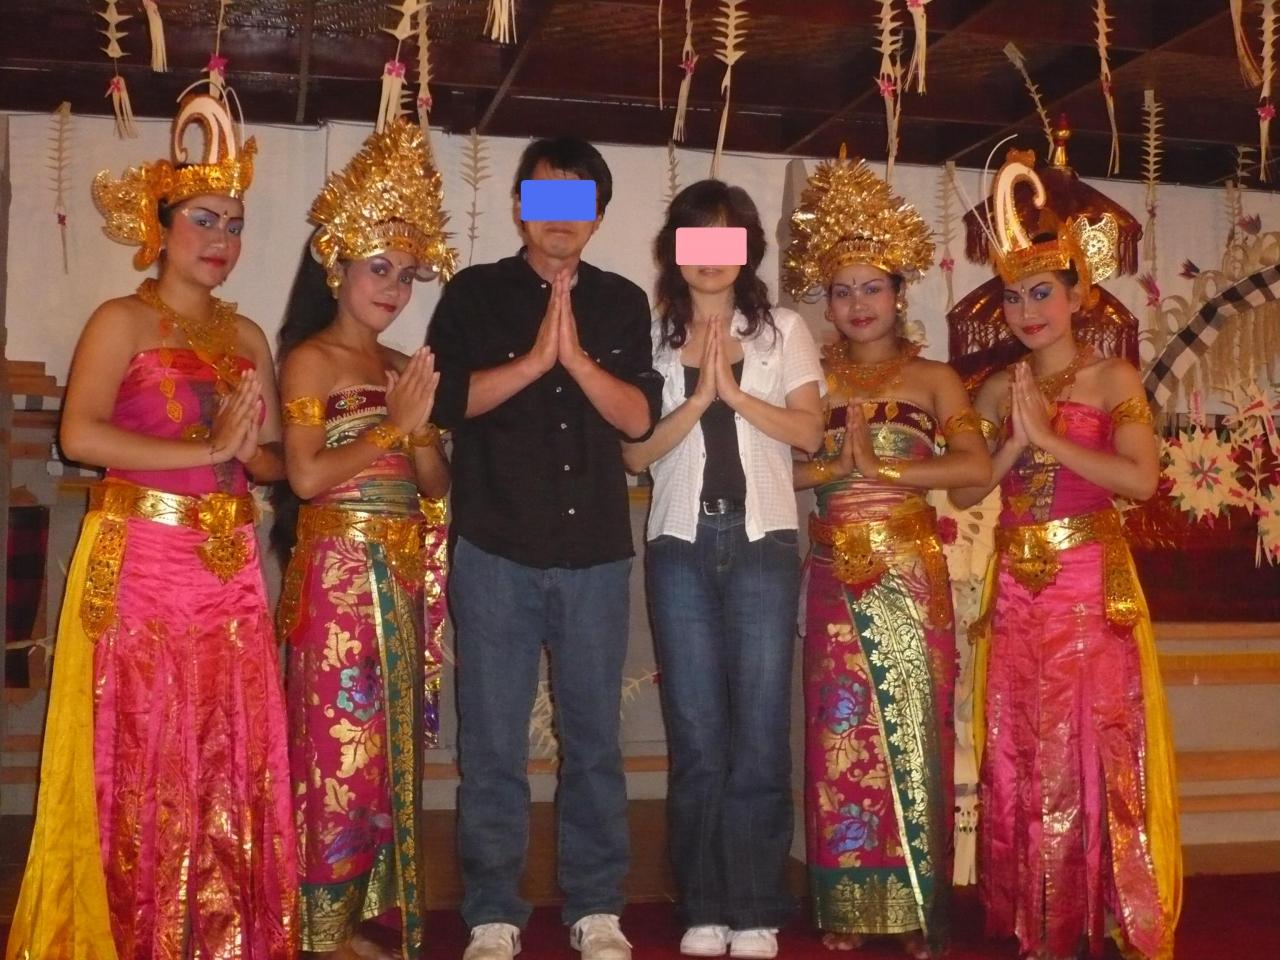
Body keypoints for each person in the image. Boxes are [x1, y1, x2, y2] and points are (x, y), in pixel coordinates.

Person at [6, 91, 298, 959]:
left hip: (230, 565)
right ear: (161, 226)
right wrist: (208, 446)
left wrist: (255, 452)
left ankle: (221, 935)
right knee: (141, 747)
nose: (221, 239)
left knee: (227, 747)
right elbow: (79, 436)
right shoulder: (121, 320)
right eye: (204, 219)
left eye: (235, 225)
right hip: (141, 560)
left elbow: (269, 460)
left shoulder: (249, 337)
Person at [426, 137, 663, 960]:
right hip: (495, 548)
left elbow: (638, 418)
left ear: (597, 215)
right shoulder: (474, 292)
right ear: (521, 206)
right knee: (491, 742)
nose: (561, 217)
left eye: (578, 201)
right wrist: (534, 361)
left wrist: (576, 360)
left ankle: (597, 906)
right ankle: (493, 911)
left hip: (594, 551)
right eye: (546, 198)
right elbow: (445, 402)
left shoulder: (623, 300)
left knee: (594, 741)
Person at [950, 151, 1182, 960]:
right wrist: (1016, 445)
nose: (1027, 311)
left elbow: (1141, 481)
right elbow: (968, 491)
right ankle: (1036, 917)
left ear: (1080, 295)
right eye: (1014, 297)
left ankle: (1102, 912)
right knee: (1022, 747)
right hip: (1016, 584)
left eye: (1043, 292)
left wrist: (1051, 438)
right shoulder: (994, 386)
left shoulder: (1114, 377)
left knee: (1093, 743)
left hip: (1089, 581)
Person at [782, 154, 991, 959]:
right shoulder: (808, 378)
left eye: (872, 287)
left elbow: (971, 470)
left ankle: (912, 909)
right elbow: (771, 471)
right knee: (839, 737)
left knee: (913, 733)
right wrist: (832, 470)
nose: (858, 304)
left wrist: (885, 471)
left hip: (909, 572)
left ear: (900, 293)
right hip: (831, 577)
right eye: (842, 290)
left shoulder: (936, 378)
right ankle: (847, 905)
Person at [622, 180, 824, 960]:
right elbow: (635, 454)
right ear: (676, 251)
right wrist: (696, 394)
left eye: (726, 238)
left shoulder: (783, 331)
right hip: (678, 545)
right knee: (698, 732)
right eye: (695, 238)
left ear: (747, 251)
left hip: (763, 542)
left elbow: (808, 434)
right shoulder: (650, 337)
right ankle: (705, 903)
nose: (710, 256)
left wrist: (731, 392)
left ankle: (757, 904)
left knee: (760, 729)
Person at [274, 119, 456, 960]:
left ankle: (355, 913)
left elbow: (436, 487)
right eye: (380, 268)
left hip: (402, 574)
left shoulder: (398, 364)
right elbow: (306, 476)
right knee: (333, 748)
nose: (394, 287)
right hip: (338, 580)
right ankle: (320, 929)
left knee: (387, 752)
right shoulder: (308, 360)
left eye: (407, 274)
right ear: (338, 265)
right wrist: (393, 426)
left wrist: (417, 433)